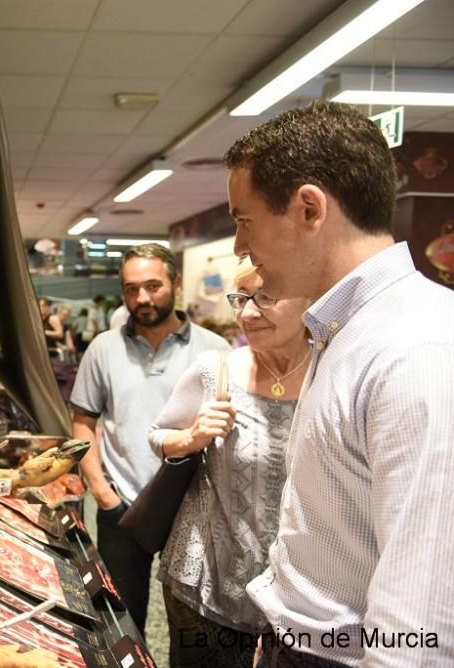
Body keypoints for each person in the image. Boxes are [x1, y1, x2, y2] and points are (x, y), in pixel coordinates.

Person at [226, 101, 454, 667]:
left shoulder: (417, 347)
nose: (238, 245)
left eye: (243, 219)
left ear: (308, 208)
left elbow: (419, 619)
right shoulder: (344, 327)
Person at [148, 265, 310, 666]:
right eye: (241, 298)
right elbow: (159, 435)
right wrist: (192, 438)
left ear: (309, 299)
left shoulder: (329, 373)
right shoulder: (214, 370)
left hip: (297, 596)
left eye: (266, 297)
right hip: (207, 578)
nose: (248, 313)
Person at [70, 243, 228, 635]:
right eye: (131, 289)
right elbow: (83, 423)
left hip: (193, 509)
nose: (142, 298)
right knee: (121, 624)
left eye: (153, 286)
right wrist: (102, 493)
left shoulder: (214, 350)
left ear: (176, 283)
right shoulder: (103, 349)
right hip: (122, 506)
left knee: (193, 627)